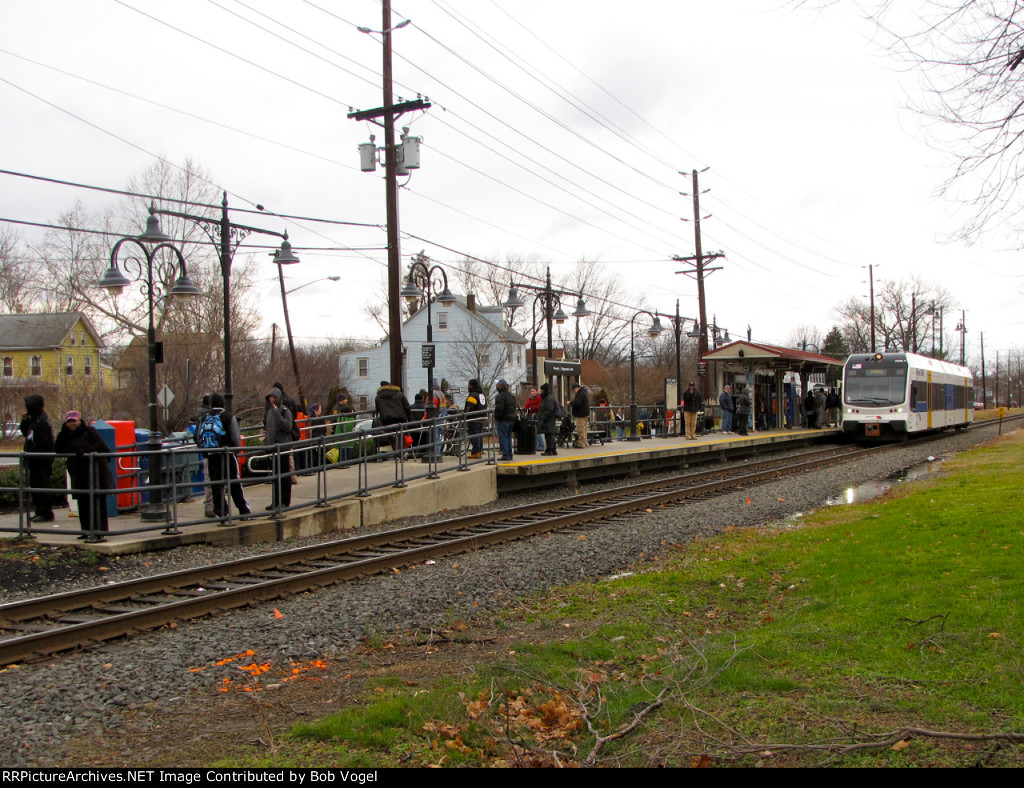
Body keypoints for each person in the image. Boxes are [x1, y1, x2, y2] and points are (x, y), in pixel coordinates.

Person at [55, 411, 113, 542]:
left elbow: (100, 445)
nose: (71, 424)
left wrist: (85, 451)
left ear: (79, 421)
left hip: (95, 470)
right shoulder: (65, 435)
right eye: (69, 421)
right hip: (77, 471)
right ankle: (86, 529)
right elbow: (58, 449)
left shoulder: (89, 431)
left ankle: (100, 530)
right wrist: (62, 435)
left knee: (97, 500)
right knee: (82, 501)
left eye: (74, 421)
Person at [199, 393, 251, 521]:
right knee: (234, 483)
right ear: (223, 403)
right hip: (227, 454)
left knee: (216, 485)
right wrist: (236, 451)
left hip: (211, 456)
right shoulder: (228, 417)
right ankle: (243, 510)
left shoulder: (204, 418)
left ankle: (222, 513)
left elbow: (198, 437)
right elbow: (235, 437)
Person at [20, 394, 55, 523]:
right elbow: (27, 434)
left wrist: (32, 455)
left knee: (42, 486)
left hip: (41, 460)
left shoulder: (42, 422)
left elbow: (42, 443)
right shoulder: (35, 420)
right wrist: (25, 421)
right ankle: (39, 510)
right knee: (35, 487)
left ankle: (45, 512)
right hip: (34, 461)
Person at [264, 386, 294, 511]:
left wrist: (277, 414)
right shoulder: (269, 412)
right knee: (275, 476)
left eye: (274, 397)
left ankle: (284, 501)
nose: (272, 400)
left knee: (284, 475)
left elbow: (288, 426)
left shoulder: (284, 411)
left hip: (282, 447)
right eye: (271, 397)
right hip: (273, 448)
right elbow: (268, 429)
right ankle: (275, 501)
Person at [193, 394, 215, 517]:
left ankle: (209, 506)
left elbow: (196, 434)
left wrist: (202, 446)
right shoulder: (209, 416)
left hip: (205, 450)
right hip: (212, 450)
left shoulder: (199, 415)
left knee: (208, 479)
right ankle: (211, 507)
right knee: (212, 480)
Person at [375, 380, 412, 452]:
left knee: (390, 435)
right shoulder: (399, 394)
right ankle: (401, 452)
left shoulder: (378, 396)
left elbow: (378, 409)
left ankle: (396, 451)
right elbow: (407, 406)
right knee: (401, 435)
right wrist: (410, 418)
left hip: (386, 419)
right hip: (400, 417)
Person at [493, 379, 518, 461]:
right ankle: (509, 453)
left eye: (498, 385)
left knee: (503, 437)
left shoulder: (500, 397)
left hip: (504, 419)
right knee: (508, 437)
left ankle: (505, 454)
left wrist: (496, 417)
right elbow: (514, 407)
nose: (497, 386)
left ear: (501, 386)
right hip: (512, 419)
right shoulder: (511, 395)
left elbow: (499, 409)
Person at [464, 379, 487, 459]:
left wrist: (465, 415)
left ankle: (476, 452)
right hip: (482, 417)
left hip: (473, 418)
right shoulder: (482, 394)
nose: (468, 387)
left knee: (474, 435)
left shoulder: (473, 395)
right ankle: (479, 450)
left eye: (469, 385)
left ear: (472, 385)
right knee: (479, 434)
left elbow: (469, 406)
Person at [538, 383, 559, 456]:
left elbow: (549, 410)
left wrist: (543, 418)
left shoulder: (548, 399)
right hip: (550, 419)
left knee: (549, 434)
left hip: (548, 420)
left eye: (542, 390)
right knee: (550, 434)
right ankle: (553, 449)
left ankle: (549, 450)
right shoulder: (549, 397)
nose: (541, 391)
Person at [523, 386, 545, 452]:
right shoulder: (530, 399)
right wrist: (526, 408)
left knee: (537, 431)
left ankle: (541, 445)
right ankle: (535, 446)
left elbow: (538, 407)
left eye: (533, 391)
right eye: (531, 391)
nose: (532, 392)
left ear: (537, 392)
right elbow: (526, 406)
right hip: (530, 416)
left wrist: (531, 408)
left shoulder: (539, 398)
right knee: (533, 431)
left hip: (536, 416)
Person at [569, 383, 590, 448]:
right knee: (584, 429)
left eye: (574, 389)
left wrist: (571, 403)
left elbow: (577, 403)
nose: (573, 391)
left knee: (580, 429)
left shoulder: (580, 394)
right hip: (585, 414)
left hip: (581, 415)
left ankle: (581, 443)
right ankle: (584, 442)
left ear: (577, 388)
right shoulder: (584, 393)